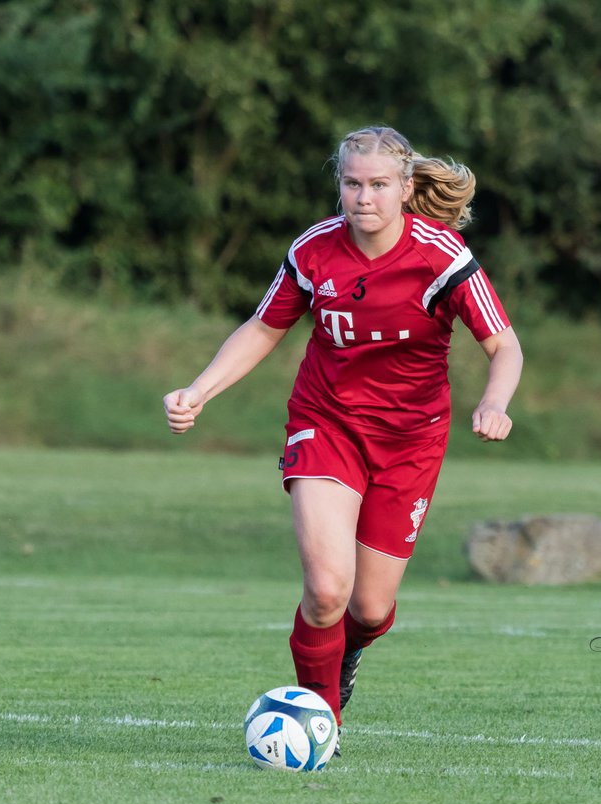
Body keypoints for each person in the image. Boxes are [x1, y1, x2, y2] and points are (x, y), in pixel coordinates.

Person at [163, 127, 522, 748]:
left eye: (379, 185)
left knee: (369, 611)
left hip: (411, 441)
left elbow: (503, 344)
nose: (364, 197)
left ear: (406, 189)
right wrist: (199, 390)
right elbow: (262, 327)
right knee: (327, 590)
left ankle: (346, 654)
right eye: (352, 183)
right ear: (340, 186)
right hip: (325, 423)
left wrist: (495, 402)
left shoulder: (441, 255)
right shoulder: (314, 251)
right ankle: (320, 720)